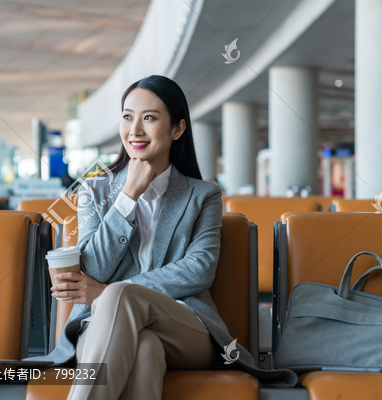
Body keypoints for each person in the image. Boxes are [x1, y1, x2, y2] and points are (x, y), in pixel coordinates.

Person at [27, 75, 296, 399]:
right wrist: (127, 196)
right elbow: (93, 268)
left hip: (185, 325)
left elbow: (199, 269)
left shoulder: (202, 195)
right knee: (145, 350)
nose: (135, 130)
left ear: (177, 129)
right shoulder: (95, 191)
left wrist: (110, 292)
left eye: (149, 118)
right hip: (102, 328)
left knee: (116, 297)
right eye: (128, 116)